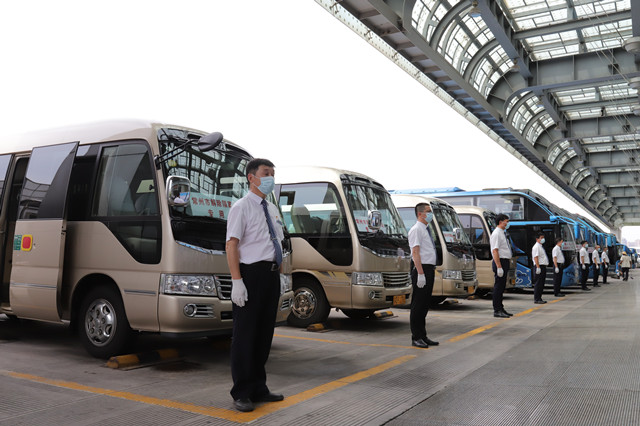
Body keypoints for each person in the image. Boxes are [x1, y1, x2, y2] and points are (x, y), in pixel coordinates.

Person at [226, 158, 285, 413]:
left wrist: (280, 273)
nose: (271, 177)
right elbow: (231, 245)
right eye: (266, 173)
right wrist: (237, 281)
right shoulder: (241, 207)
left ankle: (259, 387)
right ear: (252, 177)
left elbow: (276, 242)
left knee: (263, 334)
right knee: (245, 336)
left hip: (270, 275)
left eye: (273, 173)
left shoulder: (271, 208)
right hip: (250, 275)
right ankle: (242, 391)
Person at [408, 202, 439, 348]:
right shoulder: (416, 230)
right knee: (418, 304)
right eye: (428, 211)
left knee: (425, 304)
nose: (430, 214)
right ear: (420, 213)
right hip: (421, 269)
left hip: (428, 268)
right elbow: (415, 252)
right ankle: (416, 337)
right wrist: (420, 273)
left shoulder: (425, 229)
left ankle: (423, 335)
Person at [490, 214, 513, 318]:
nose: (508, 223)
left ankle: (501, 308)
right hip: (500, 262)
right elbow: (495, 251)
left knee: (502, 287)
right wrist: (499, 267)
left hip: (504, 261)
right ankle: (497, 310)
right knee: (498, 287)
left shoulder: (502, 233)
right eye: (506, 221)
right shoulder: (496, 234)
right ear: (500, 222)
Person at [531, 232, 548, 304]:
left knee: (541, 283)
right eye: (541, 238)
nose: (543, 239)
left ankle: (539, 298)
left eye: (543, 238)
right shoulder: (536, 247)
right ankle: (537, 299)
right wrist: (538, 267)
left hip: (542, 266)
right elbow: (536, 257)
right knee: (538, 283)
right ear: (537, 239)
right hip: (539, 266)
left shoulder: (540, 246)